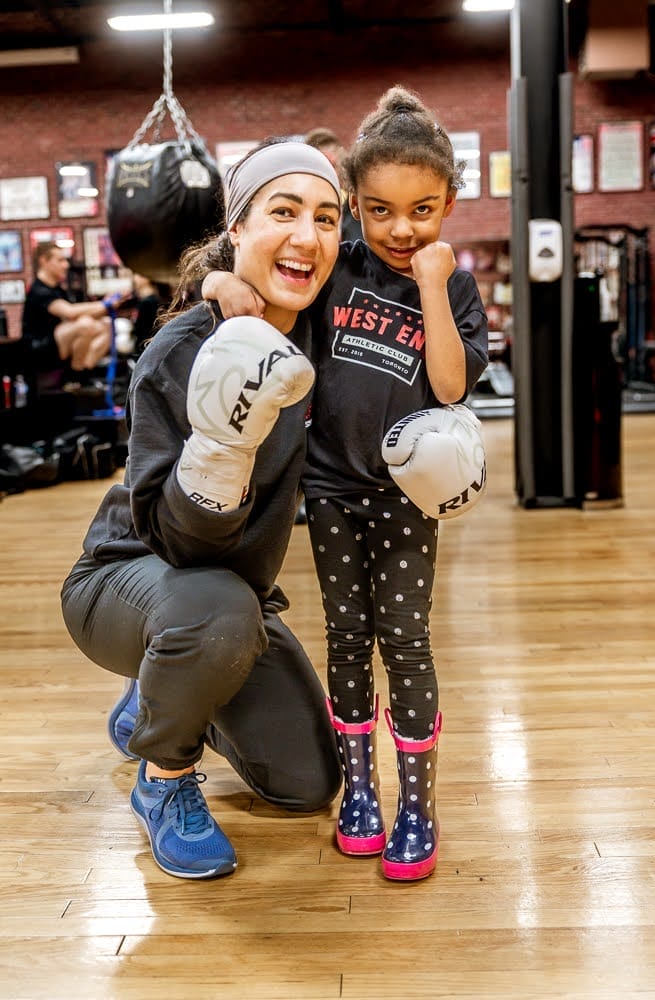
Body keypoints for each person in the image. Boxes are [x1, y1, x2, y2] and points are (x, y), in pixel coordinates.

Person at [202, 87, 489, 881]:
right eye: (380, 211)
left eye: (423, 210)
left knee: (406, 640)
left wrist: (433, 282)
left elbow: (451, 387)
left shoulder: (452, 286)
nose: (403, 229)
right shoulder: (338, 270)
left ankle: (416, 808)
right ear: (356, 205)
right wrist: (220, 287)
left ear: (449, 202)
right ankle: (360, 794)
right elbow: (260, 296)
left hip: (405, 500)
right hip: (329, 491)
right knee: (347, 639)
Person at [60, 138, 344, 881]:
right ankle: (163, 781)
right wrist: (224, 446)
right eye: (283, 211)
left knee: (306, 784)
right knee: (213, 611)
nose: (306, 235)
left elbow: (403, 256)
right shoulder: (182, 350)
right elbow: (181, 544)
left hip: (231, 599)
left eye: (326, 217)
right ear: (238, 227)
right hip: (128, 579)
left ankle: (167, 689)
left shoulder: (321, 331)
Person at [21, 242, 120, 386]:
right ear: (44, 261)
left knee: (105, 325)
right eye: (60, 260)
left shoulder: (58, 290)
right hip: (39, 349)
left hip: (59, 344)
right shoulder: (39, 290)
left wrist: (107, 305)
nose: (66, 265)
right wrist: (104, 304)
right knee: (85, 324)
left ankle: (83, 373)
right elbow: (70, 312)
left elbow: (81, 312)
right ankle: (75, 376)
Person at [303, 126, 363, 244]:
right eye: (322, 166)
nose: (329, 172)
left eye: (333, 165)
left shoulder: (355, 205)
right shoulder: (301, 209)